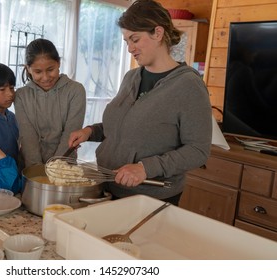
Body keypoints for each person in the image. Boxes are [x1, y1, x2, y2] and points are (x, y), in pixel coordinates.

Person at [68, 0, 212, 206]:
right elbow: (124, 127)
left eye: (135, 39)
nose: (129, 48)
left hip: (150, 197)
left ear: (158, 33)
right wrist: (90, 131)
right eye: (126, 41)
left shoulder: (188, 86)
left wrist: (145, 168)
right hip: (108, 186)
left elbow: (198, 150)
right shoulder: (131, 77)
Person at [14, 38, 86, 168]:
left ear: (58, 63)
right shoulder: (21, 96)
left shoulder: (76, 90)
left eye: (50, 69)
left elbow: (70, 133)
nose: (46, 78)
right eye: (38, 72)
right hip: (30, 167)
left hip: (64, 168)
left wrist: (55, 168)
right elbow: (28, 137)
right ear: (28, 69)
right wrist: (36, 171)